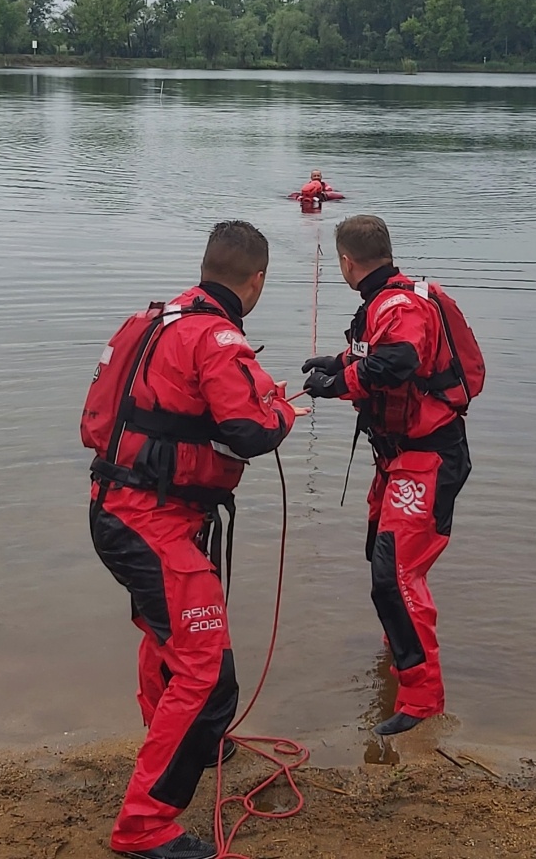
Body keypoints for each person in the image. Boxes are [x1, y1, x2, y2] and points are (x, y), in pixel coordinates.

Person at [85, 221, 307, 859]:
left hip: (121, 508)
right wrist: (284, 411)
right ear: (257, 280)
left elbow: (178, 410)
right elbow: (248, 431)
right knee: (206, 672)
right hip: (148, 520)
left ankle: (179, 740)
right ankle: (144, 827)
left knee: (169, 642)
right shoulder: (215, 336)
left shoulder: (160, 318)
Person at [301, 215, 477, 736]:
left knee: (394, 573)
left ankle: (422, 701)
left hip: (427, 457)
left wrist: (339, 384)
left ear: (346, 263)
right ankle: (397, 649)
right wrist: (337, 364)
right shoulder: (387, 301)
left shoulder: (397, 305)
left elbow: (398, 362)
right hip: (398, 456)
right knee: (381, 558)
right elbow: (384, 359)